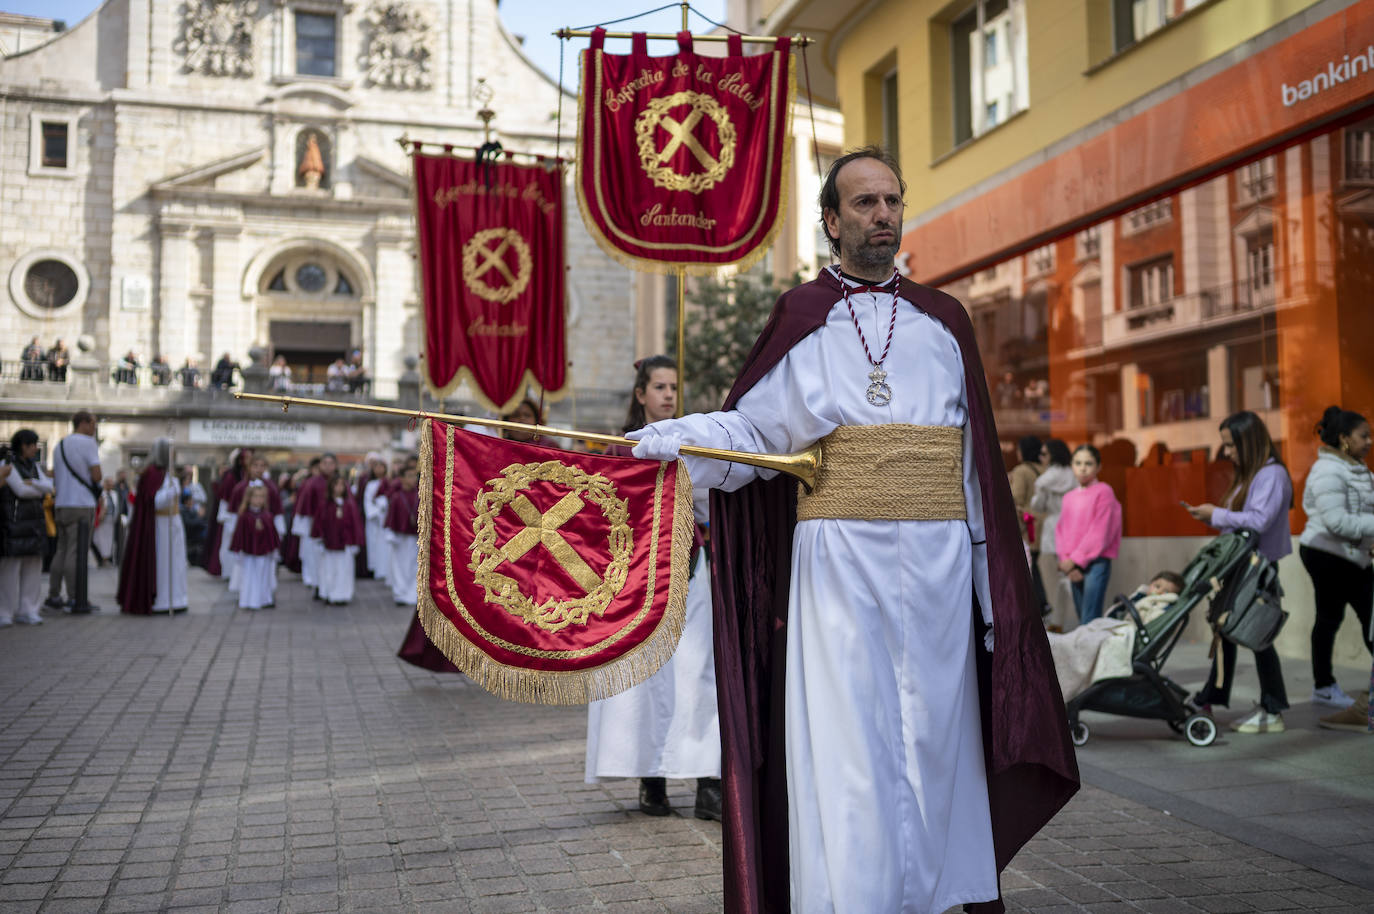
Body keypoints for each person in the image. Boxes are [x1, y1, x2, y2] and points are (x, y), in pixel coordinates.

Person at [625, 148, 1076, 913]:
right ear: (831, 221)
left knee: (938, 738)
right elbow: (758, 438)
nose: (883, 216)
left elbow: (975, 476)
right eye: (864, 204)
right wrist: (686, 439)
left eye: (892, 201)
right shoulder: (803, 316)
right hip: (836, 561)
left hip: (935, 567)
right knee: (847, 744)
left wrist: (994, 596)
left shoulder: (945, 321)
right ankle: (852, 897)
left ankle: (935, 892)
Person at [584, 357, 721, 820]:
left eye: (673, 387)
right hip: (638, 579)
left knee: (700, 674)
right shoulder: (618, 449)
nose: (668, 395)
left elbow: (712, 503)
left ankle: (708, 783)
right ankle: (652, 779)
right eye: (659, 386)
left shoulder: (697, 442)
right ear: (640, 393)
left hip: (690, 569)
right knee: (645, 679)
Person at [1184, 410, 1294, 734]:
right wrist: (1213, 516)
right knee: (1227, 629)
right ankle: (1211, 696)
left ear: (1249, 442)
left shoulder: (1271, 475)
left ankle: (1272, 708)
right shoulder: (1254, 474)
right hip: (1243, 566)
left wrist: (1216, 514)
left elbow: (1260, 521)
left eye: (1231, 445)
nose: (1227, 452)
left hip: (1258, 568)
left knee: (1256, 633)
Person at [1297, 406, 1374, 709]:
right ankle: (1323, 685)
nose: (1369, 441)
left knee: (1330, 619)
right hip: (1328, 555)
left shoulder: (1358, 469)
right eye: (1363, 436)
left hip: (1349, 555)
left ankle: (1323, 685)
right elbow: (1337, 522)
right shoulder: (1327, 470)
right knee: (1362, 617)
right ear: (1343, 438)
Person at [117, 439, 188, 614]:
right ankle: (162, 601)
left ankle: (177, 598)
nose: (172, 455)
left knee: (176, 564)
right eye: (170, 451)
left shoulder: (167, 474)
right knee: (163, 565)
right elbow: (153, 502)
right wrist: (172, 491)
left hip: (173, 524)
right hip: (160, 527)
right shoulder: (152, 474)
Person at [1055, 445, 1122, 626]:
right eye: (1078, 463)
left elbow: (1101, 532)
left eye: (1088, 463)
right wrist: (1067, 563)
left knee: (1090, 619)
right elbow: (1061, 530)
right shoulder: (1068, 496)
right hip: (1072, 565)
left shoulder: (1104, 491)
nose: (1082, 468)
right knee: (1082, 619)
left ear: (1098, 467)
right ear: (1071, 466)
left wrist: (1074, 561)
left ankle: (1093, 655)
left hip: (1096, 563)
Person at [48, 410, 103, 614]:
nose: (95, 428)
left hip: (61, 503)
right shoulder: (88, 443)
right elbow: (97, 476)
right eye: (93, 424)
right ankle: (75, 597)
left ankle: (53, 595)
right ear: (84, 423)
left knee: (61, 550)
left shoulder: (60, 444)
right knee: (76, 552)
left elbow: (54, 474)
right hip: (81, 504)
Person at [1, 430, 55, 626]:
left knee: (33, 567)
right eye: (32, 444)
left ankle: (28, 609)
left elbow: (49, 487)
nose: (35, 448)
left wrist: (33, 483)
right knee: (10, 570)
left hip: (34, 524)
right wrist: (39, 487)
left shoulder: (34, 467)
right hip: (14, 523)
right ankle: (5, 611)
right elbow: (20, 490)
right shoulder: (8, 465)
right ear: (23, 445)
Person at [1032, 438, 1077, 630]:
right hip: (1074, 526)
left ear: (1052, 455)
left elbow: (1037, 506)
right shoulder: (1075, 474)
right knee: (1069, 574)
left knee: (1055, 577)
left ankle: (1057, 621)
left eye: (1044, 454)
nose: (1041, 457)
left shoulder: (1045, 480)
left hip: (1053, 527)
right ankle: (1075, 616)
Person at [1009, 435, 1048, 614]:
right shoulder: (1046, 469)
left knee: (1029, 566)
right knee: (1034, 563)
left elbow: (1016, 498)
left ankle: (1040, 604)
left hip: (1029, 526)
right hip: (1045, 525)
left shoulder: (1021, 471)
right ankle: (1042, 604)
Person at [230, 482, 280, 611]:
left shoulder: (267, 516)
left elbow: (272, 535)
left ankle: (264, 599)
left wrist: (273, 549)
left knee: (264, 575)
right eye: (255, 496)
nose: (258, 500)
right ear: (249, 498)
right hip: (248, 553)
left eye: (261, 496)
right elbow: (239, 535)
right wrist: (238, 551)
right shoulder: (244, 517)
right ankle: (249, 600)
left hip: (264, 553)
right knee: (249, 576)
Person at [314, 475, 362, 605]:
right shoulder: (324, 504)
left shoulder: (349, 505)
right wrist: (319, 538)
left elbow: (355, 524)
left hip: (345, 544)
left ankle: (342, 595)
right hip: (329, 543)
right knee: (329, 570)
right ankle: (329, 593)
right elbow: (319, 523)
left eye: (341, 485)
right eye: (336, 485)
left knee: (344, 570)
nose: (339, 488)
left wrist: (355, 542)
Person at [293, 453, 336, 593]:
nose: (328, 466)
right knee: (313, 555)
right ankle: (315, 581)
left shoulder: (339, 482)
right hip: (314, 525)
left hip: (335, 526)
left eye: (331, 463)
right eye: (325, 463)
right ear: (320, 465)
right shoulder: (312, 483)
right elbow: (305, 507)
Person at [206, 449, 252, 579]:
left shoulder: (247, 475)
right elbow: (226, 498)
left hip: (245, 516)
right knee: (229, 544)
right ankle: (228, 571)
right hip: (232, 515)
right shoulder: (232, 476)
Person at [384, 464, 420, 607]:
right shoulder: (397, 496)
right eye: (409, 476)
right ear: (402, 479)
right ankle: (400, 593)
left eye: (414, 476)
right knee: (399, 565)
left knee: (414, 566)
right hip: (400, 537)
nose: (413, 479)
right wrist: (391, 533)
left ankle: (412, 594)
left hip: (415, 537)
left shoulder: (420, 494)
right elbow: (392, 517)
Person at [359, 454, 390, 582]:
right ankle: (376, 570)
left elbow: (390, 498)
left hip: (385, 518)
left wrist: (383, 504)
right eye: (376, 467)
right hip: (374, 521)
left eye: (381, 467)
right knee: (375, 545)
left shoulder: (389, 483)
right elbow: (368, 501)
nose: (379, 470)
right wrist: (376, 511)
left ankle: (386, 570)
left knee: (386, 546)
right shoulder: (370, 484)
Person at [92, 478, 119, 567]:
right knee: (99, 539)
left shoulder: (114, 494)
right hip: (101, 520)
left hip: (111, 519)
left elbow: (116, 506)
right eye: (109, 484)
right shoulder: (101, 493)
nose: (111, 486)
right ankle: (102, 558)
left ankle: (107, 558)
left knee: (109, 540)